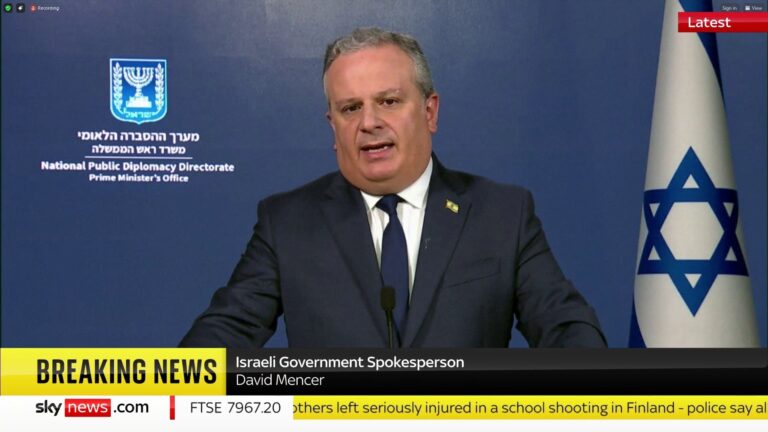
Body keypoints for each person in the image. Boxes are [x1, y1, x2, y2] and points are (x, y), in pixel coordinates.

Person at [180, 27, 606, 348]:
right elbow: (224, 333)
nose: (369, 122)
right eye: (350, 108)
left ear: (429, 112)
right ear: (333, 127)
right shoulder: (287, 223)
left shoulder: (502, 214)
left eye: (388, 101)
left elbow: (565, 326)